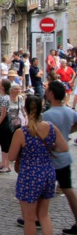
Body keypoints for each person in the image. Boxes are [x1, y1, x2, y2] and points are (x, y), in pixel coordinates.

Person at [8, 95, 68, 235]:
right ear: (41, 109)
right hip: (48, 173)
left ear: (25, 109)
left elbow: (10, 157)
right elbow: (64, 148)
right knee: (44, 216)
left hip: (29, 175)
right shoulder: (51, 128)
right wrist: (50, 147)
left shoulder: (21, 132)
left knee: (29, 219)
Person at [40, 81, 77, 234]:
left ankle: (37, 217)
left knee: (41, 190)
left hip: (51, 157)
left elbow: (43, 135)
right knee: (68, 190)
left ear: (52, 94)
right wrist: (67, 133)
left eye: (48, 91)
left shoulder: (48, 115)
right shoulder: (70, 111)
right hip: (64, 157)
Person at [0, 79, 13, 173]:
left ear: (3, 87)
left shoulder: (5, 98)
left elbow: (3, 113)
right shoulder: (0, 96)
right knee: (2, 143)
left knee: (6, 143)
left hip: (3, 121)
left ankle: (7, 165)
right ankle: (3, 163)